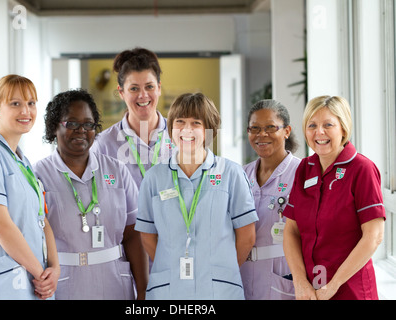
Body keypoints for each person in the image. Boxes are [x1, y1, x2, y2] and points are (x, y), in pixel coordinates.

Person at [135, 93, 258, 299]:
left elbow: (247, 236)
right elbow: (147, 234)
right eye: (180, 122)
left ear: (209, 129)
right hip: (169, 290)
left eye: (196, 123)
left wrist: (220, 270)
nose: (186, 129)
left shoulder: (231, 173)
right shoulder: (154, 177)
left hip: (219, 291)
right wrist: (172, 264)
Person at [34, 89, 148, 299]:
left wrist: (142, 291)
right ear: (53, 127)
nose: (81, 131)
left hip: (115, 284)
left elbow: (133, 234)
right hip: (66, 285)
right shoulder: (38, 175)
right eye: (72, 124)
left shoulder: (117, 170)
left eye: (88, 124)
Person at [0, 74, 59, 300]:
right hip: (5, 286)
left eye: (31, 103)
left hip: (33, 282)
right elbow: (1, 226)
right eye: (15, 104)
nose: (26, 111)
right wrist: (40, 275)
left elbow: (41, 220)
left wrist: (55, 268)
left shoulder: (22, 161)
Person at [283, 95, 386, 300]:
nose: (319, 132)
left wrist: (333, 285)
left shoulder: (362, 169)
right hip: (312, 292)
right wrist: (300, 282)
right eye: (312, 125)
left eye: (328, 124)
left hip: (351, 291)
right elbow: (291, 231)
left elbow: (373, 236)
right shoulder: (305, 168)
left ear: (343, 128)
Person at [240, 100, 301, 299]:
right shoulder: (241, 174)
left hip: (281, 276)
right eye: (255, 128)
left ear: (286, 131)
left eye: (270, 128)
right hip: (243, 275)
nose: (261, 134)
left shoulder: (302, 173)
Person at [91, 47, 173, 188]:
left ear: (159, 88)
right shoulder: (104, 145)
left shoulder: (179, 136)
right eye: (134, 88)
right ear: (121, 92)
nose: (143, 95)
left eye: (149, 87)